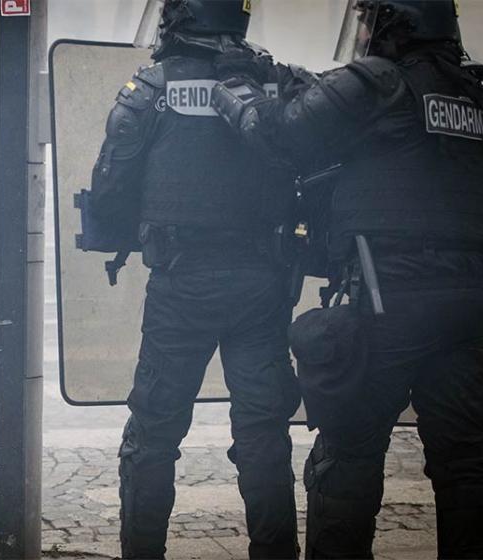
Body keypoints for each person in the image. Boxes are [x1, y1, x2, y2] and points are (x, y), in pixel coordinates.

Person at [208, 1, 483, 557]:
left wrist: (236, 93)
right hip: (468, 304)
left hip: (387, 299)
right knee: (469, 467)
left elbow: (283, 136)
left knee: (346, 464)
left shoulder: (378, 81)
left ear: (393, 21)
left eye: (367, 18)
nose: (362, 31)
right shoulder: (474, 94)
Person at [89, 1, 317, 558]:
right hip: (262, 283)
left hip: (181, 285)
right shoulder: (269, 85)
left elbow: (110, 188)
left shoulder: (149, 88)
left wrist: (133, 232)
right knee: (263, 433)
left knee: (153, 437)